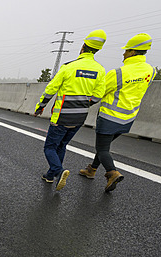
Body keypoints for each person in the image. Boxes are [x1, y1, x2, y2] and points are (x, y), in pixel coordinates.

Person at [78, 33, 156, 192]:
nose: (123, 53)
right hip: (128, 119)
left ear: (133, 52)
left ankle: (112, 173)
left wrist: (84, 104)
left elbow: (98, 94)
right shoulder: (151, 70)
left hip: (109, 118)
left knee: (102, 149)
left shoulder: (118, 73)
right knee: (103, 147)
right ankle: (91, 170)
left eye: (126, 50)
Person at [35, 30, 107, 191]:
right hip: (79, 118)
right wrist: (83, 104)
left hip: (61, 116)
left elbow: (50, 89)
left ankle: (59, 172)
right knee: (62, 145)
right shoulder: (100, 70)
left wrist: (41, 105)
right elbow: (98, 96)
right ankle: (50, 175)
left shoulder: (69, 67)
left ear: (83, 47)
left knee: (50, 147)